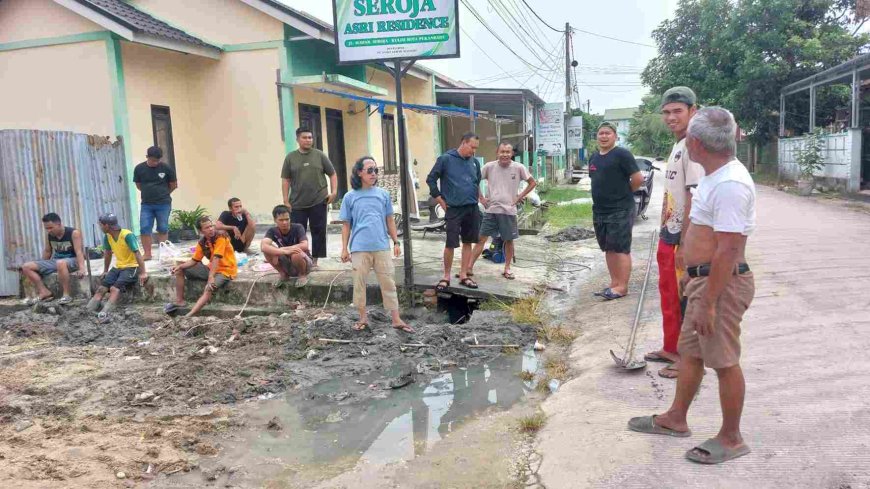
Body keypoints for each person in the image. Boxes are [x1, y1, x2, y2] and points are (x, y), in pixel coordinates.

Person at [628, 107, 756, 465]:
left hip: (722, 285)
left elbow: (729, 249)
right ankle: (675, 418)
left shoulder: (730, 183)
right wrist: (688, 270)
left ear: (696, 143)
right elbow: (701, 228)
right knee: (692, 354)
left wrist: (710, 302)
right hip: (703, 281)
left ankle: (731, 437)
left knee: (724, 361)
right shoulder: (715, 175)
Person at [645, 87, 705, 379]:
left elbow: (695, 197)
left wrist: (685, 242)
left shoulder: (694, 145)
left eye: (677, 111)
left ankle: (688, 360)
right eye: (667, 112)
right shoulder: (678, 144)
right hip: (669, 233)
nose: (671, 117)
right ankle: (671, 348)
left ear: (693, 110)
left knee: (685, 299)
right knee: (668, 293)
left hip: (684, 237)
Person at [339, 156, 413, 333]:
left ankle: (396, 319)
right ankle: (363, 318)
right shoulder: (350, 197)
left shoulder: (383, 194)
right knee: (359, 283)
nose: (374, 174)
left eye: (375, 170)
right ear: (359, 173)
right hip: (359, 247)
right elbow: (346, 224)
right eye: (369, 170)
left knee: (388, 282)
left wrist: (396, 241)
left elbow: (390, 220)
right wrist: (344, 248)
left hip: (382, 246)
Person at [589, 122, 644, 300]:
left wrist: (624, 194)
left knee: (620, 248)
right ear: (597, 136)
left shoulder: (622, 154)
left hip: (620, 209)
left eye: (608, 133)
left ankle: (623, 286)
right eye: (601, 133)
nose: (604, 136)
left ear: (615, 136)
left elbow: (637, 178)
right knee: (608, 248)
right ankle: (614, 283)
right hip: (600, 210)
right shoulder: (594, 157)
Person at [468, 141, 536, 280]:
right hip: (491, 210)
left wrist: (519, 197)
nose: (505, 154)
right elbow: (474, 181)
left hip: (509, 211)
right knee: (481, 239)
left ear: (511, 154)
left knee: (509, 241)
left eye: (508, 152)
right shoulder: (489, 167)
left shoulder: (518, 168)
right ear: (497, 153)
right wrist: (481, 198)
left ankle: (507, 268)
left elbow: (532, 183)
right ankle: (469, 268)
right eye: (502, 152)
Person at [426, 132, 483, 291]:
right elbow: (431, 179)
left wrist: (479, 199)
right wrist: (439, 199)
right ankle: (446, 276)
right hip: (453, 209)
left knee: (468, 242)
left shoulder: (474, 163)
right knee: (450, 243)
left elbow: (476, 182)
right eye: (472, 147)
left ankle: (464, 275)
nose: (473, 151)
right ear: (463, 143)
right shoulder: (445, 159)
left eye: (476, 148)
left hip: (471, 208)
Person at [281, 127, 337, 267]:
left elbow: (332, 174)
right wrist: (286, 200)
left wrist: (334, 192)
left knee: (319, 230)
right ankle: (299, 259)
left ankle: (316, 260)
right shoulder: (290, 158)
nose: (308, 140)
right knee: (297, 232)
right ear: (298, 139)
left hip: (319, 200)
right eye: (305, 137)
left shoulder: (319, 155)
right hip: (297, 202)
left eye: (310, 137)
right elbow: (286, 180)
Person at [165, 216, 238, 317]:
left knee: (209, 287)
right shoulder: (202, 242)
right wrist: (180, 267)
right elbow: (194, 260)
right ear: (200, 231)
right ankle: (179, 301)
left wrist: (211, 277)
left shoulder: (221, 237)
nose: (211, 229)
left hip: (225, 271)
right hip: (211, 268)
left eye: (211, 226)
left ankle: (189, 315)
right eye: (207, 228)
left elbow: (217, 258)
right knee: (180, 268)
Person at [86, 213, 147, 317]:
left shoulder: (127, 235)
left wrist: (143, 272)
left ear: (106, 226)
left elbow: (137, 253)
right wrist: (105, 270)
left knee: (114, 288)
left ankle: (105, 313)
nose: (100, 227)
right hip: (118, 266)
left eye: (100, 225)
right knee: (101, 289)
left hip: (132, 267)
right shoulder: (107, 236)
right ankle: (87, 312)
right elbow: (108, 254)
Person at [20, 213, 87, 305]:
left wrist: (82, 268)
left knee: (60, 263)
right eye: (46, 228)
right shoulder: (49, 235)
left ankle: (66, 295)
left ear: (58, 224)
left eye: (51, 228)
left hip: (72, 260)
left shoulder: (74, 233)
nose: (48, 230)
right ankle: (44, 292)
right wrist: (41, 266)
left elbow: (79, 252)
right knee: (26, 267)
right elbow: (48, 251)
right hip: (56, 261)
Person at [133, 146, 177, 261]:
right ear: (147, 157)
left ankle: (163, 254)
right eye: (153, 160)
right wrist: (149, 192)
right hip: (146, 204)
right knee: (144, 228)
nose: (155, 163)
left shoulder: (166, 168)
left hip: (163, 204)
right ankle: (147, 254)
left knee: (162, 228)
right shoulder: (139, 168)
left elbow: (173, 185)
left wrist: (163, 194)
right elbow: (138, 185)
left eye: (157, 160)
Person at [261, 204, 313, 288]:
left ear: (290, 218)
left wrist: (282, 250)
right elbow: (264, 246)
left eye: (287, 219)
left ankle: (302, 275)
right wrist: (282, 251)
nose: (284, 222)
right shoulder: (272, 231)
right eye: (281, 220)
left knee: (296, 253)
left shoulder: (298, 227)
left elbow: (305, 245)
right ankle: (283, 274)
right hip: (286, 262)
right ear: (275, 220)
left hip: (303, 262)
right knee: (267, 252)